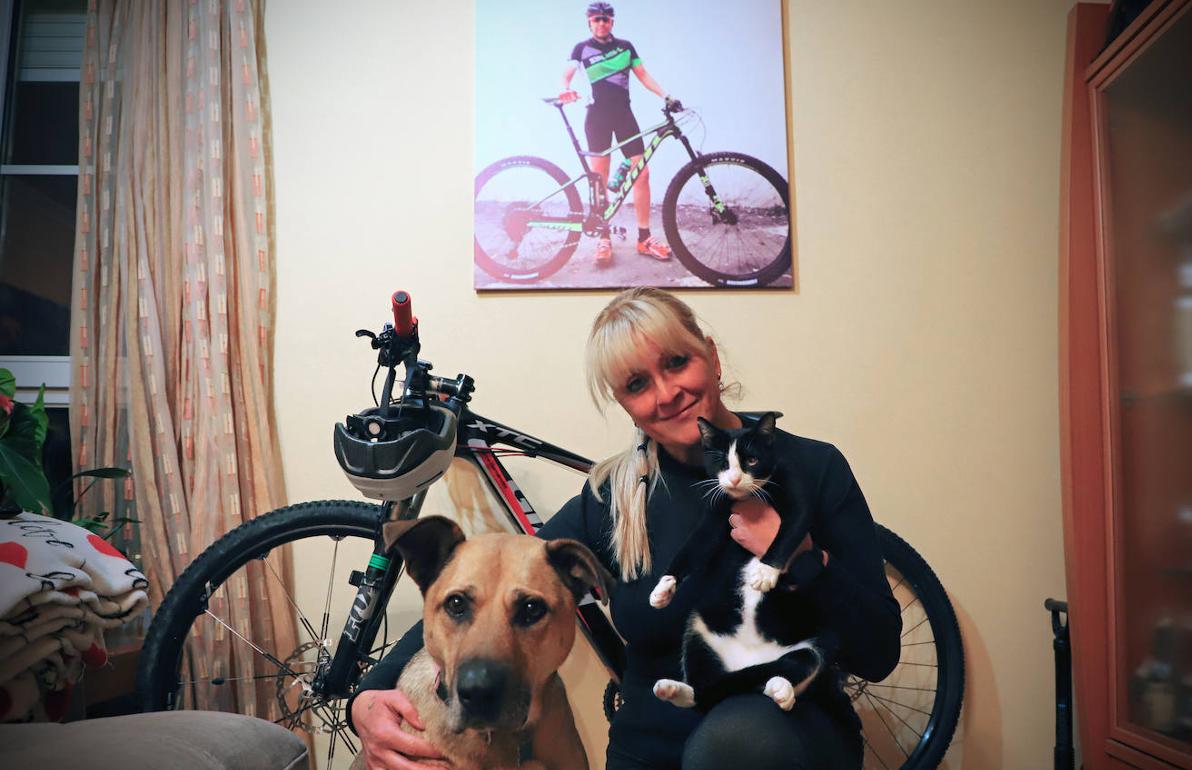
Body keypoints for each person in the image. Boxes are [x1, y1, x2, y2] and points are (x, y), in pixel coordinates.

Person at [348, 287, 902, 770]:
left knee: (732, 744)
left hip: (781, 734)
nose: (666, 394)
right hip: (649, 747)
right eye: (639, 384)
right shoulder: (612, 499)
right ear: (625, 405)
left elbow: (879, 654)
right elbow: (476, 592)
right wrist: (369, 697)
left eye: (677, 363)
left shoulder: (813, 469)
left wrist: (801, 561)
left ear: (709, 355)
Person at [558, 2, 675, 267]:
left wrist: (666, 96)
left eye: (606, 19)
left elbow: (643, 75)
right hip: (597, 118)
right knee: (600, 180)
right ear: (589, 22)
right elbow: (567, 75)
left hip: (624, 115)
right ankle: (603, 237)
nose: (602, 23)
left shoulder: (626, 46)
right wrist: (564, 88)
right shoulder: (581, 48)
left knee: (642, 174)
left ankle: (644, 238)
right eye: (597, 19)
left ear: (613, 22)